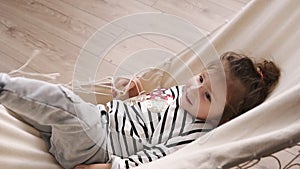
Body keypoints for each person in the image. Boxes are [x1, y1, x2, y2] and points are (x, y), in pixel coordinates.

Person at [0, 51, 280, 169]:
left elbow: (155, 160)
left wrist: (109, 168)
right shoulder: (179, 94)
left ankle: (4, 87)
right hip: (97, 121)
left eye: (208, 95)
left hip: (97, 147)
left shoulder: (194, 132)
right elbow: (146, 110)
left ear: (225, 117)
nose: (195, 89)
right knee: (37, 110)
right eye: (201, 79)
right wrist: (132, 95)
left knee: (64, 103)